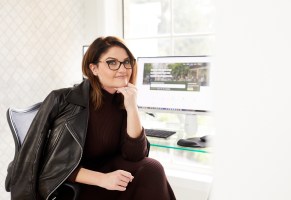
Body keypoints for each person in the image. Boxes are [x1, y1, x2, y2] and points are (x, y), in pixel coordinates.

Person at [5, 36, 176, 200]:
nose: (123, 69)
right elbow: (48, 164)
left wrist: (132, 107)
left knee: (151, 168)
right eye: (112, 63)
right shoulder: (63, 100)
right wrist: (102, 179)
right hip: (73, 187)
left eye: (126, 62)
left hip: (108, 178)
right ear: (93, 68)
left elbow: (135, 156)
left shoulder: (122, 101)